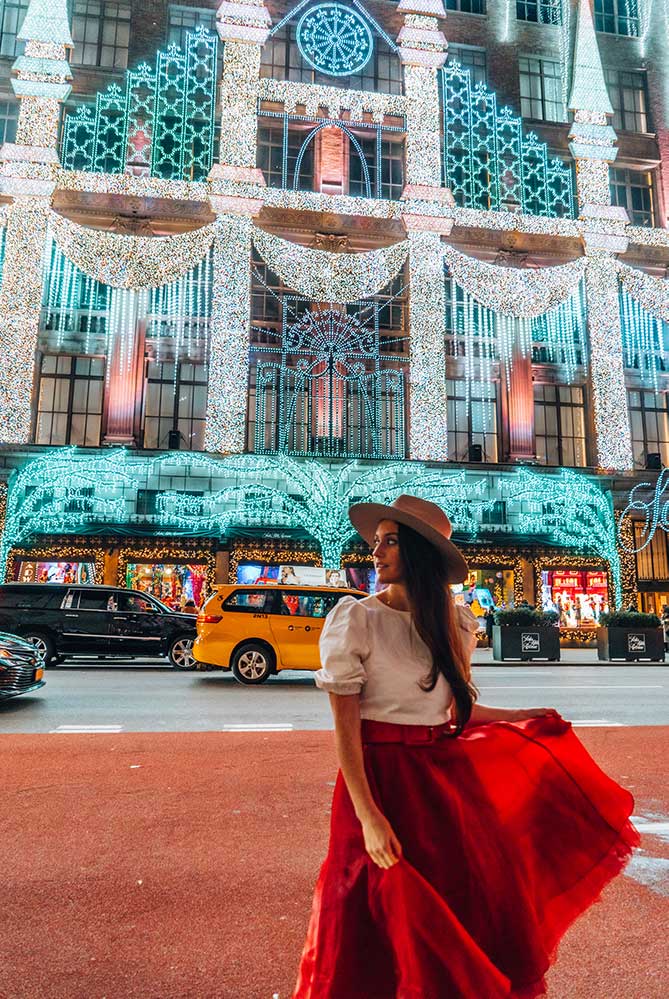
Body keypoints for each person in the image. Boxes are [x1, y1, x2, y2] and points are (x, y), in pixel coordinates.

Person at [293, 495, 638, 999]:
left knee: (462, 904)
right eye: (376, 541)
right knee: (371, 912)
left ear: (418, 552)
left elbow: (457, 712)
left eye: (390, 541)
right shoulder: (355, 620)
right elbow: (346, 733)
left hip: (443, 783)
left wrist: (523, 717)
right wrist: (369, 817)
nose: (375, 551)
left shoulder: (453, 623)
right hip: (377, 782)